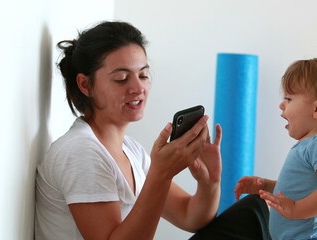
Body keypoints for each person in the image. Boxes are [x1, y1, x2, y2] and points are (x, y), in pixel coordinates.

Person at [35, 21, 223, 240]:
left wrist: (209, 182)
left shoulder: (131, 151)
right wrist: (160, 175)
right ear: (85, 85)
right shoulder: (81, 152)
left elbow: (190, 217)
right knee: (249, 216)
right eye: (121, 79)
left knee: (249, 214)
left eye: (143, 75)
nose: (138, 88)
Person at [234, 57, 317, 239]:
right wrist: (267, 186)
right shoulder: (309, 144)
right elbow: (304, 191)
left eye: (289, 98)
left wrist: (295, 209)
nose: (281, 104)